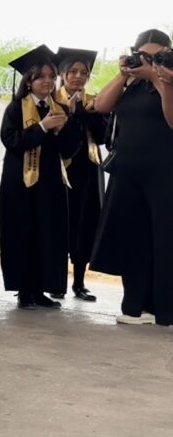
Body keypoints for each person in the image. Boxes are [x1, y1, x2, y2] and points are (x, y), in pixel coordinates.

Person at [91, 30, 173, 326]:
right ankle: (134, 306)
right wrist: (123, 74)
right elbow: (101, 105)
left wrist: (158, 77)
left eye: (157, 56)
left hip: (165, 173)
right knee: (133, 238)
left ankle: (164, 310)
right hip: (128, 171)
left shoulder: (167, 82)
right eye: (144, 55)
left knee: (165, 240)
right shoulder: (132, 84)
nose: (149, 61)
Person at [0, 46, 81, 311]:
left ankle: (43, 288)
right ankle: (24, 290)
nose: (46, 81)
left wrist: (66, 128)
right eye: (40, 77)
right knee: (23, 232)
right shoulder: (15, 108)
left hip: (50, 184)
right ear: (29, 81)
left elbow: (70, 149)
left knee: (48, 233)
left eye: (50, 76)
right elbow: (11, 141)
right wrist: (43, 127)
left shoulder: (61, 109)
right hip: (18, 183)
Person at [52, 47, 108, 302]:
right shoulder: (52, 101)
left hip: (89, 171)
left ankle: (79, 283)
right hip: (61, 171)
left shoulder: (96, 102)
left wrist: (86, 114)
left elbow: (104, 137)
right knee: (61, 224)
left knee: (86, 226)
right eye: (72, 71)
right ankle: (55, 282)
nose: (77, 76)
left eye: (83, 72)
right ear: (62, 75)